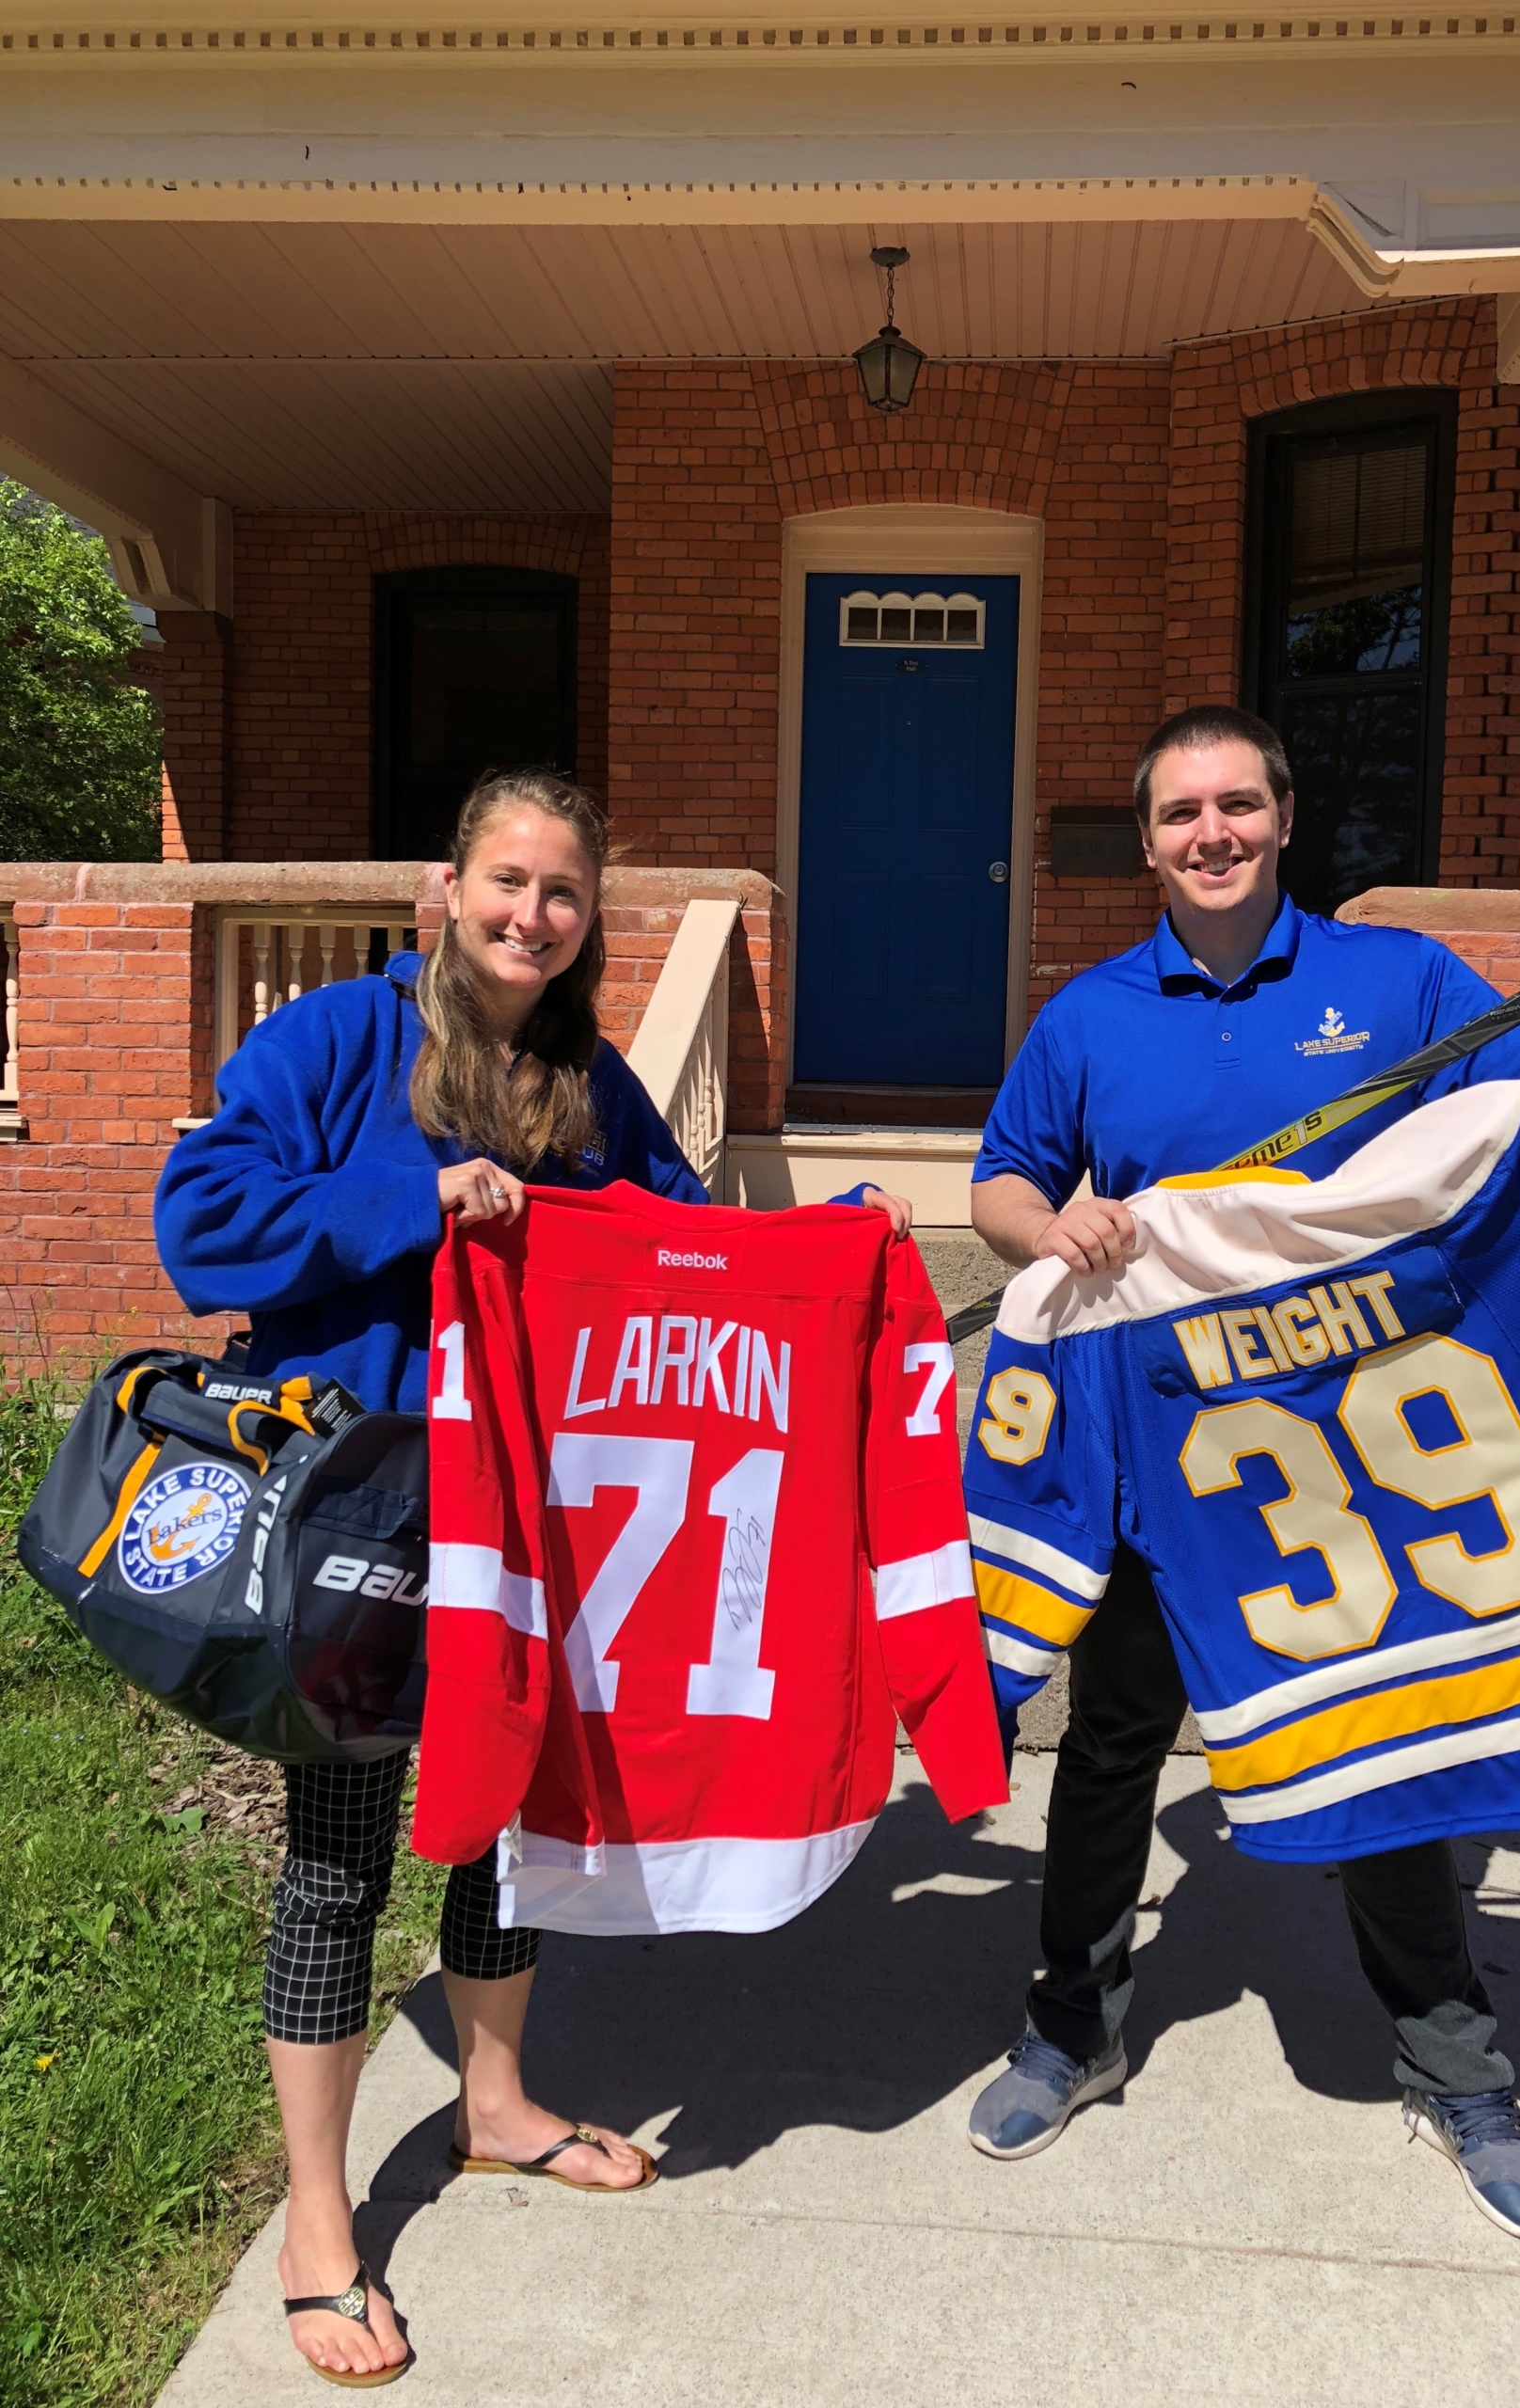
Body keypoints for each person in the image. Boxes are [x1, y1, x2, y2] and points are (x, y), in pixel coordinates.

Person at [155, 771, 911, 2386]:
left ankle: (493, 2106)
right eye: (509, 883)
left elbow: (685, 1240)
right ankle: (315, 2224)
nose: (532, 918)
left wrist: (830, 1251)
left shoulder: (589, 1075)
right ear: (449, 887)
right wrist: (410, 1200)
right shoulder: (338, 1042)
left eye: (563, 896)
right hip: (362, 1516)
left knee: (510, 1826)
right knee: (343, 1857)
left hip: (542, 1530)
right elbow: (200, 1222)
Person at [965, 705, 1520, 2243]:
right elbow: (1002, 1177)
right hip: (1166, 1450)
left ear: (1284, 818)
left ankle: (1456, 2068)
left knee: (1386, 1747)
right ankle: (1072, 2023)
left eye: (1238, 806)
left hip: (1339, 1459)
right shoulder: (1089, 1015)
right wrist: (1046, 1230)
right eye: (1181, 814)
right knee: (1113, 1743)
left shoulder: (1394, 977)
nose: (1211, 834)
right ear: (1146, 842)